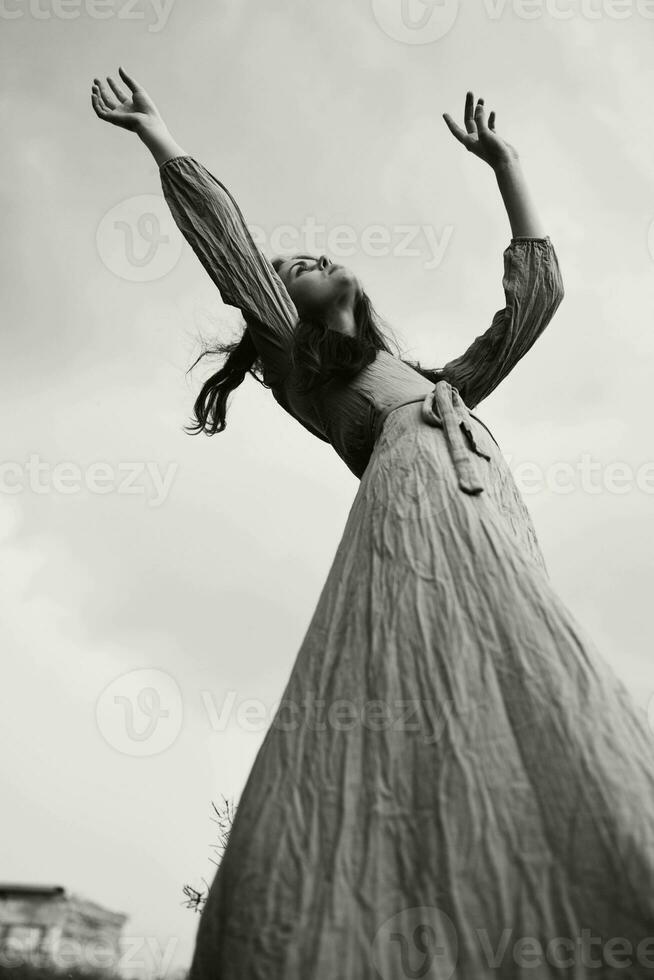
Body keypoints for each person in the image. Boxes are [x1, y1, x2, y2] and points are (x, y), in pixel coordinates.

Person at [92, 69, 654, 979]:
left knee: (523, 667)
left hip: (489, 512)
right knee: (422, 655)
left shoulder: (440, 384)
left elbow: (534, 306)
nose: (301, 259)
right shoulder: (306, 366)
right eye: (289, 270)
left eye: (309, 255)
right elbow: (233, 250)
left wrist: (507, 165)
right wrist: (160, 136)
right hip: (416, 512)